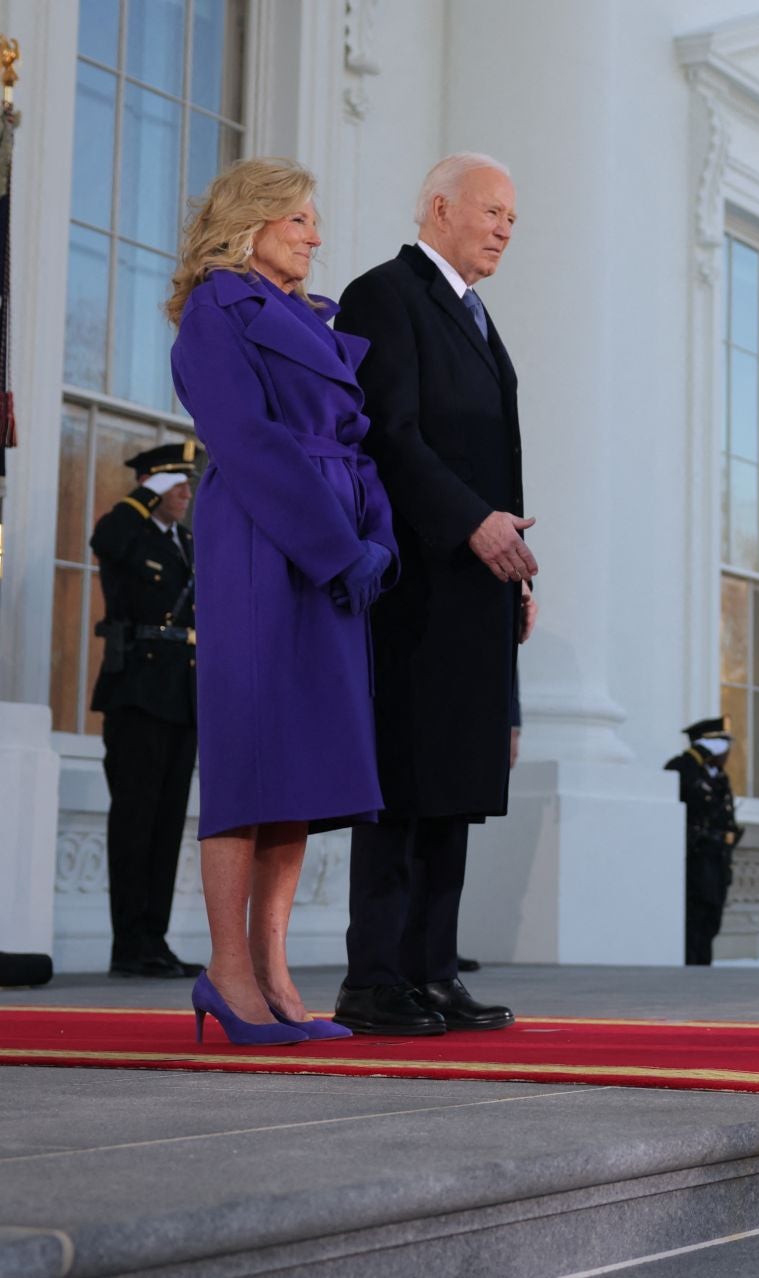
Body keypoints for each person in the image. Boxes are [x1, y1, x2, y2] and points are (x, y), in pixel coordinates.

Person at [166, 157, 397, 1046]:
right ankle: (227, 972)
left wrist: (378, 538)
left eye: (313, 220)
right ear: (252, 223)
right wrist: (339, 547)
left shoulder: (309, 320)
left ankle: (271, 968)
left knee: (297, 767)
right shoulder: (217, 312)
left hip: (331, 549)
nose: (315, 235)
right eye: (299, 219)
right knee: (249, 756)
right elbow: (251, 445)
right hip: (266, 546)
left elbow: (358, 444)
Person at [330, 152, 532, 1036]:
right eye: (492, 212)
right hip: (416, 582)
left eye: (512, 220)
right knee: (405, 782)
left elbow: (492, 455)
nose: (504, 229)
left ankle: (433, 971)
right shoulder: (385, 293)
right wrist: (468, 525)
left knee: (456, 786)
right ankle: (375, 977)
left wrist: (516, 566)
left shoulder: (478, 317)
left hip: (479, 583)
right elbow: (390, 436)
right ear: (440, 208)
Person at [90, 443, 203, 980]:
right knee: (135, 822)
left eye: (186, 483)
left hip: (181, 696)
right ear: (151, 486)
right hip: (137, 692)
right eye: (174, 483)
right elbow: (104, 542)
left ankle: (153, 938)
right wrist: (142, 494)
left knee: (166, 824)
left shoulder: (184, 542)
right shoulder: (125, 527)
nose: (186, 492)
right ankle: (128, 943)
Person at [666, 718, 745, 966]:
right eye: (723, 748)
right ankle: (692, 970)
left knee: (712, 919)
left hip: (717, 859)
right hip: (696, 858)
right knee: (695, 920)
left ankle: (703, 970)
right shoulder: (685, 767)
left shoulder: (719, 777)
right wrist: (695, 754)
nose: (728, 754)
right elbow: (676, 781)